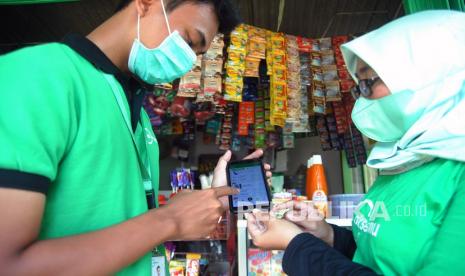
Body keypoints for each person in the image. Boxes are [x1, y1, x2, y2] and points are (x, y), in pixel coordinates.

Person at [0, 0, 259, 275]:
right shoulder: (36, 75)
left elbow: (123, 228)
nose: (188, 62)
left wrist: (202, 205)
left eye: (197, 53)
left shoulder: (140, 119)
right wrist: (170, 219)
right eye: (189, 40)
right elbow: (8, 264)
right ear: (146, 3)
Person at [246, 10, 465, 276]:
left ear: (431, 76)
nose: (362, 100)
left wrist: (296, 244)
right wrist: (327, 235)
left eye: (368, 82)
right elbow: (372, 256)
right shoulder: (406, 162)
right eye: (358, 85)